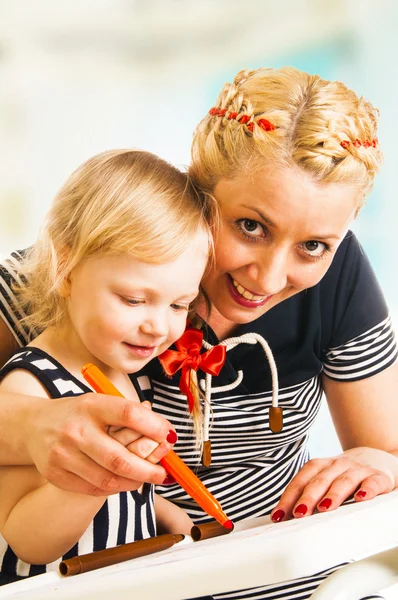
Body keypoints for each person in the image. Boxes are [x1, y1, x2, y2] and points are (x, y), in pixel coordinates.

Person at [0, 66, 397, 599]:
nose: (269, 278)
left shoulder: (340, 277)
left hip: (296, 578)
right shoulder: (86, 268)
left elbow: (387, 451)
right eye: (250, 226)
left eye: (314, 246)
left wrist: (380, 464)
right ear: (197, 190)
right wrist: (28, 426)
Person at [0, 149, 212, 584]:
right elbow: (27, 540)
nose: (157, 327)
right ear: (67, 268)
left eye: (178, 305)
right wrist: (101, 475)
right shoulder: (29, 385)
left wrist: (161, 511)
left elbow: (122, 505)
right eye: (134, 300)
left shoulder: (130, 375)